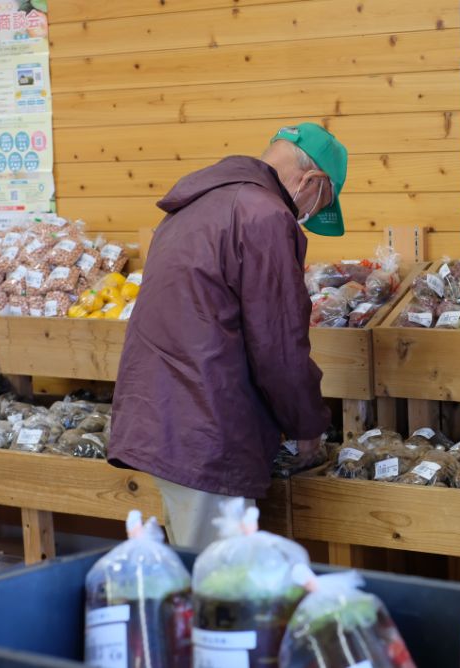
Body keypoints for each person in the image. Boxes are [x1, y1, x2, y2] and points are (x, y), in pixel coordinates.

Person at [108, 123, 347, 549]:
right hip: (209, 427)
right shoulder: (266, 216)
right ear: (311, 182)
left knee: (193, 562)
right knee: (216, 582)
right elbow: (278, 346)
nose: (306, 217)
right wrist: (307, 424)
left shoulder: (191, 206)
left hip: (165, 417)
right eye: (319, 204)